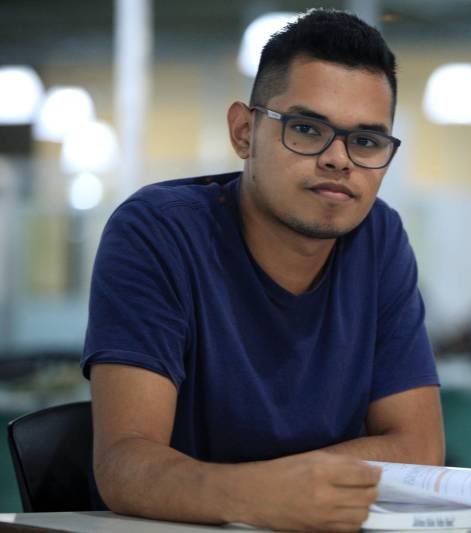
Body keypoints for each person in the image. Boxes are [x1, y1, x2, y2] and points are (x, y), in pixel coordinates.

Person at [80, 9, 444, 532]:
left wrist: (277, 492)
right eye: (306, 128)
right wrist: (266, 495)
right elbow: (124, 464)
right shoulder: (158, 231)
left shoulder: (378, 238)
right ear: (243, 132)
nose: (339, 159)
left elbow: (420, 447)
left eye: (366, 141)